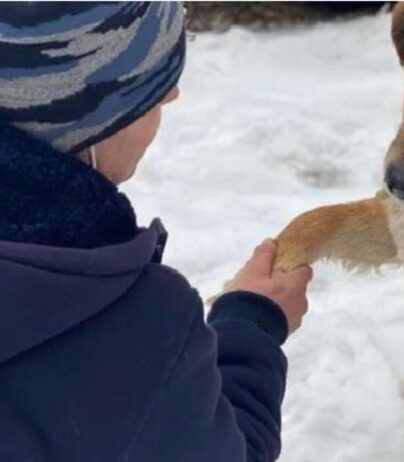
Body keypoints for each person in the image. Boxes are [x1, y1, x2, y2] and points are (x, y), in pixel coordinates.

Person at [0, 3, 313, 462]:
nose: (172, 96)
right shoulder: (129, 327)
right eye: (150, 86)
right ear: (85, 122)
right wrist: (251, 325)